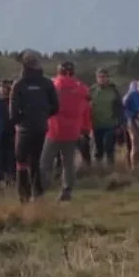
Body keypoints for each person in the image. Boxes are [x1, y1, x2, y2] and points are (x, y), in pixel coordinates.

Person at [10, 51, 58, 203]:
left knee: (21, 161)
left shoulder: (18, 84)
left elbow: (13, 112)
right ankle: (38, 194)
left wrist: (20, 121)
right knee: (36, 161)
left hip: (24, 129)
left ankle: (23, 196)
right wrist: (43, 116)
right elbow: (56, 107)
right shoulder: (47, 83)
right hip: (42, 127)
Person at [43, 61, 89, 201]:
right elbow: (86, 108)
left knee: (45, 161)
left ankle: (41, 188)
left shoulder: (54, 85)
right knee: (68, 163)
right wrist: (85, 128)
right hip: (73, 130)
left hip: (55, 129)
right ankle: (67, 190)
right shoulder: (81, 88)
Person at [89, 68, 122, 168]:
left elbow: (119, 108)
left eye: (104, 77)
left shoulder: (114, 91)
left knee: (109, 147)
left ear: (108, 78)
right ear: (96, 78)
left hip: (110, 124)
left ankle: (111, 169)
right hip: (96, 124)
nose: (102, 79)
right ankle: (98, 170)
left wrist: (119, 125)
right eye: (99, 77)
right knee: (98, 149)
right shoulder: (92, 90)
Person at [0, 80, 16, 183]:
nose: (2, 89)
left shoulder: (13, 101)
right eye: (1, 87)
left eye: (5, 87)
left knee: (12, 155)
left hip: (12, 132)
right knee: (0, 156)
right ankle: (2, 177)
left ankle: (12, 176)